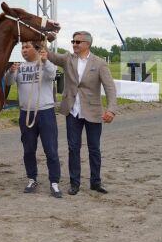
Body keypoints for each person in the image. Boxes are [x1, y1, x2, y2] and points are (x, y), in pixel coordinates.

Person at [46, 31, 117, 195]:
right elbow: (49, 55)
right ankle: (74, 183)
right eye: (73, 41)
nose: (74, 44)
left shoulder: (99, 63)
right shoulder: (67, 59)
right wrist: (44, 39)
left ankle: (95, 182)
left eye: (78, 42)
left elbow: (110, 88)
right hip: (73, 111)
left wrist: (111, 110)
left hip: (93, 112)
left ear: (87, 44)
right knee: (73, 148)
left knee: (94, 149)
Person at [4, 41, 62, 198]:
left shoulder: (45, 63)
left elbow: (52, 75)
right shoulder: (20, 66)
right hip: (26, 113)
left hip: (45, 112)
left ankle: (54, 182)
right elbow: (8, 82)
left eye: (27, 47)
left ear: (37, 49)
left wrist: (45, 60)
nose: (23, 50)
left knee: (51, 149)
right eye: (22, 48)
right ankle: (32, 179)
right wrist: (10, 72)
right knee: (29, 149)